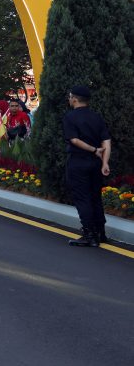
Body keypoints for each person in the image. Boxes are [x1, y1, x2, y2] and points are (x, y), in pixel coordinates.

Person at [63, 86, 112, 247]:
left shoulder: (70, 117)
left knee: (82, 198)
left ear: (75, 99)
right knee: (95, 196)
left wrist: (93, 150)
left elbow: (74, 140)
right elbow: (106, 140)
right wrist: (105, 162)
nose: (69, 99)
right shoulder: (96, 117)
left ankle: (89, 235)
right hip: (96, 163)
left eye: (70, 97)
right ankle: (100, 232)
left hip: (78, 161)